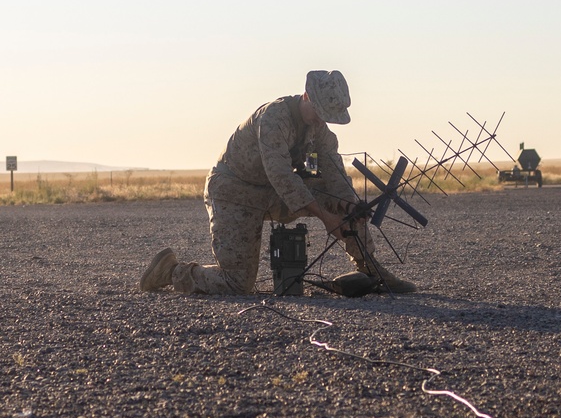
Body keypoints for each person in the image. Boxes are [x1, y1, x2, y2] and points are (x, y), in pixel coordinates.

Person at [139, 69, 416, 296]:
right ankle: (170, 271)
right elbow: (281, 175)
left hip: (274, 193)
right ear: (306, 96)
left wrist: (347, 204)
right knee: (236, 283)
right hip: (234, 193)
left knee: (348, 207)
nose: (322, 121)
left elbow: (331, 174)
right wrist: (326, 217)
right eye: (319, 112)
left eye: (327, 117)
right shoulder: (274, 118)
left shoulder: (320, 133)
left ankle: (372, 270)